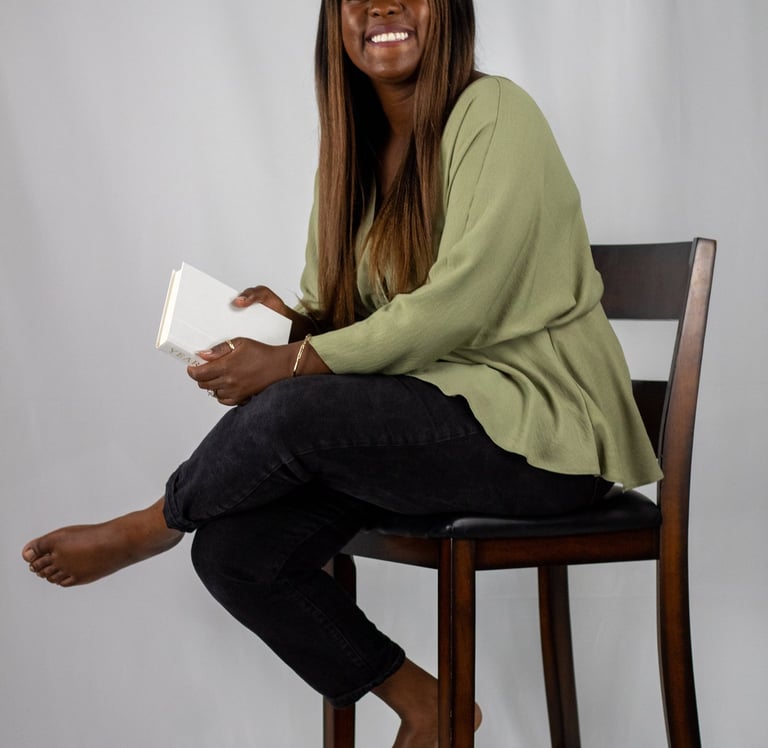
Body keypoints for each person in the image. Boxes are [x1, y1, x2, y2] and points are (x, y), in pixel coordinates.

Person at [22, 1, 662, 746]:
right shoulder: (352, 150)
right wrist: (292, 327)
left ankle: (150, 525)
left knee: (291, 412)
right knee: (235, 553)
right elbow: (343, 317)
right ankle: (429, 705)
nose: (382, 7)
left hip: (541, 443)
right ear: (336, 21)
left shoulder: (496, 112)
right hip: (439, 429)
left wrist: (294, 361)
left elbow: (460, 305)